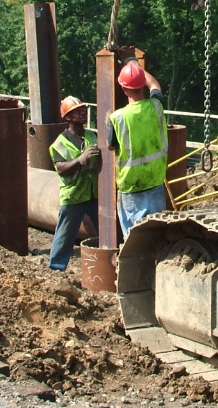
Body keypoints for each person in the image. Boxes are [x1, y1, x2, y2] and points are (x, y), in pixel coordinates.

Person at [107, 61, 168, 236]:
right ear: (142, 86)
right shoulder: (156, 106)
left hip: (131, 188)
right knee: (156, 235)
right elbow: (155, 85)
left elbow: (110, 146)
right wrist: (136, 65)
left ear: (124, 89)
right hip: (156, 182)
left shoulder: (118, 117)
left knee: (134, 238)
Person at [48, 96, 101, 272]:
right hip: (73, 196)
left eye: (83, 110)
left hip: (93, 193)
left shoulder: (92, 135)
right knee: (65, 235)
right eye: (77, 111)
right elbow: (61, 168)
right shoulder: (59, 143)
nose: (82, 113)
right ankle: (56, 268)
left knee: (107, 230)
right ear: (68, 117)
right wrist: (80, 160)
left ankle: (110, 263)